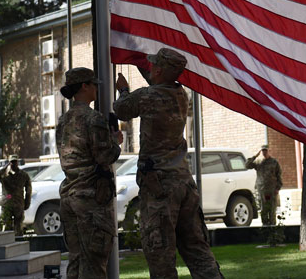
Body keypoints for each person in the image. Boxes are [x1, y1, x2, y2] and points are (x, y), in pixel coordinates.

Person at [113, 48, 223, 279]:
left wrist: (123, 89)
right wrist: (140, 63)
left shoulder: (148, 96)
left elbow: (122, 109)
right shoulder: (180, 94)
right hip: (183, 183)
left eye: (154, 66)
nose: (150, 68)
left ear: (160, 70)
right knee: (197, 249)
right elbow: (155, 82)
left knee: (160, 253)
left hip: (160, 187)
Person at [56, 67, 122, 279]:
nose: (96, 89)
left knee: (75, 262)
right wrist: (116, 141)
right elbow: (105, 156)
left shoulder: (64, 120)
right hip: (90, 201)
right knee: (94, 265)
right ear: (84, 86)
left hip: (69, 197)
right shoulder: (93, 119)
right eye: (93, 84)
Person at [246, 144, 283, 225]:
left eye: (265, 151)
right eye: (263, 151)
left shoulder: (274, 162)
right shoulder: (258, 162)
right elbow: (247, 165)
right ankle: (265, 226)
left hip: (272, 190)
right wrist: (255, 156)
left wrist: (278, 188)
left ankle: (273, 226)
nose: (264, 152)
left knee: (272, 209)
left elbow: (278, 175)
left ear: (269, 151)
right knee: (263, 209)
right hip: (261, 189)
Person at [0, 154, 31, 235]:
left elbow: (28, 190)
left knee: (19, 228)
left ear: (17, 162)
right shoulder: (4, 175)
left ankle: (19, 243)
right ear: (9, 163)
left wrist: (27, 203)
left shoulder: (24, 175)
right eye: (12, 162)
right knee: (6, 227)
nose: (13, 164)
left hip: (18, 204)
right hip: (7, 204)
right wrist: (5, 167)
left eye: (15, 162)